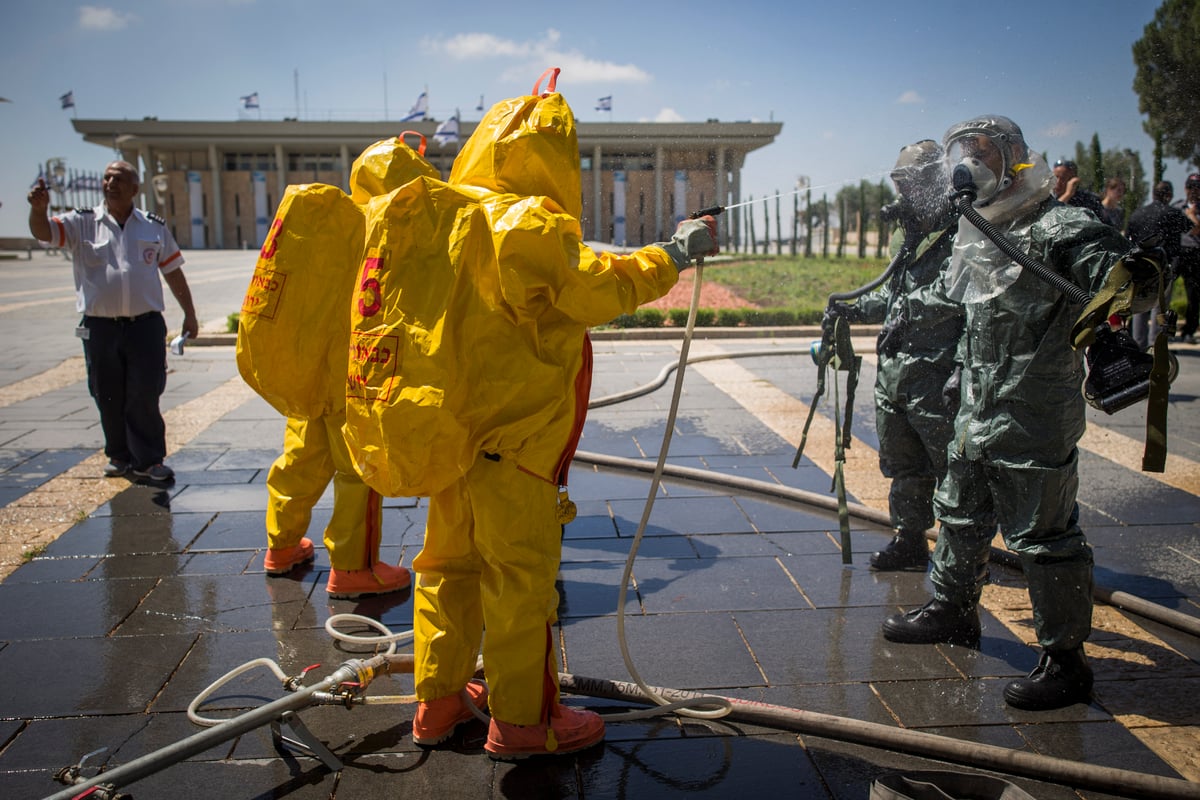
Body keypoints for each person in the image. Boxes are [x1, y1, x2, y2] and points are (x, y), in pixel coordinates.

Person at [340, 72, 718, 759]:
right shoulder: (526, 222)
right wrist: (675, 253)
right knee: (518, 579)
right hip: (515, 442)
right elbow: (597, 288)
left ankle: (439, 701)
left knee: (446, 567)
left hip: (447, 431)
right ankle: (525, 723)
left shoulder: (442, 214)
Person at [881, 116, 1148, 711]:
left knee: (1045, 536)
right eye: (959, 152)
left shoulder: (1058, 225)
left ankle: (1065, 659)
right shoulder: (977, 229)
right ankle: (952, 609)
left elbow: (1122, 279)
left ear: (1014, 160)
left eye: (978, 152)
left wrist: (1131, 276)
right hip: (976, 408)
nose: (965, 163)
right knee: (959, 511)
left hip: (1033, 411)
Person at [245, 137, 439, 599]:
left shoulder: (329, 221)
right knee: (358, 472)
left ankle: (281, 546)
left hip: (309, 367)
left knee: (299, 459)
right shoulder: (393, 227)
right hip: (356, 373)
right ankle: (354, 568)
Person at [825, 140, 963, 571]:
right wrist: (854, 308)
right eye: (899, 184)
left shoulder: (964, 232)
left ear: (933, 184)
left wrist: (905, 311)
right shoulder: (910, 232)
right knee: (904, 463)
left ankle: (961, 554)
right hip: (898, 371)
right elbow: (892, 291)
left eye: (909, 185)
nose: (901, 195)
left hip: (936, 371)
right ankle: (909, 540)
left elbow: (955, 295)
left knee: (951, 468)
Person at [27, 160, 197, 483]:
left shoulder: (152, 226)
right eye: (106, 178)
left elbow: (173, 270)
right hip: (100, 327)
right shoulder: (82, 223)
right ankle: (119, 456)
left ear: (135, 188)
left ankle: (149, 459)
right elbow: (45, 233)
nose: (110, 183)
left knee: (145, 391)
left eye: (118, 179)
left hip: (145, 325)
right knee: (106, 392)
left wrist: (189, 313)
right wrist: (39, 211)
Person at [1127, 181, 1191, 349]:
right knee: (1159, 307)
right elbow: (1190, 228)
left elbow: (1128, 240)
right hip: (1163, 267)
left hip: (1139, 268)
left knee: (1140, 306)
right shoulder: (1173, 213)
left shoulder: (1136, 214)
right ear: (1168, 195)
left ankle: (1138, 345)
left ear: (1153, 194)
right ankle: (1155, 347)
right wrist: (1190, 213)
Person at [1172, 174, 1200, 344]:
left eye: (1197, 187)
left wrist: (1191, 217)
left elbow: (1195, 230)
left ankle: (1189, 330)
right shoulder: (1177, 207)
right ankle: (1163, 330)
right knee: (1164, 290)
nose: (1194, 191)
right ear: (1185, 188)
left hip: (1195, 254)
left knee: (1194, 295)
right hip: (1178, 252)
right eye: (1191, 187)